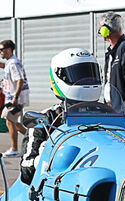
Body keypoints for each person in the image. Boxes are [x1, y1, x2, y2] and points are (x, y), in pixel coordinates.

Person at [20, 49, 104, 183]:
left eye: (89, 74)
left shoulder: (107, 114)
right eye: (79, 75)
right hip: (56, 189)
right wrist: (43, 157)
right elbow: (25, 172)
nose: (86, 81)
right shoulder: (48, 117)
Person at [0, 39, 29, 155]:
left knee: (9, 121)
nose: (0, 52)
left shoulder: (14, 63)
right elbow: (4, 66)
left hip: (16, 98)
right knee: (14, 123)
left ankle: (14, 149)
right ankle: (33, 136)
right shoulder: (10, 62)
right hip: (12, 97)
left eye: (1, 49)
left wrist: (16, 97)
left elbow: (20, 80)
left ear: (8, 50)